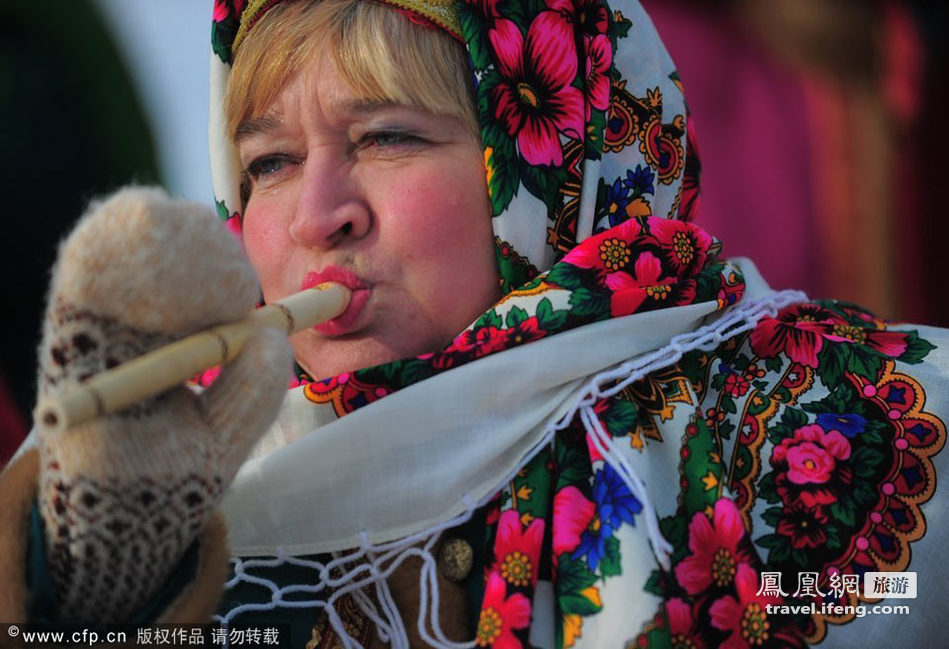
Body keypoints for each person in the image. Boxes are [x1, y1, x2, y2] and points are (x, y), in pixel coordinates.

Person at [2, 0, 947, 647]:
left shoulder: (840, 419)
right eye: (270, 162)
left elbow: (895, 590)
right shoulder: (200, 491)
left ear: (550, 162)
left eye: (387, 137)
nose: (316, 212)